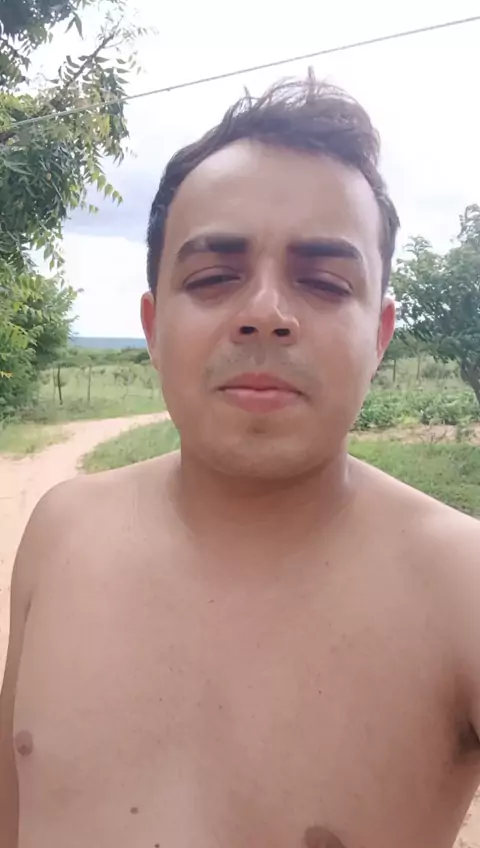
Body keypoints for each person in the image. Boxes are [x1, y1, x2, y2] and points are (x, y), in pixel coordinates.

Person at [1, 75, 479, 848]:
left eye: (324, 282)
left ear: (380, 335)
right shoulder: (61, 533)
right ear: (153, 328)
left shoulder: (463, 588)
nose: (264, 313)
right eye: (214, 277)